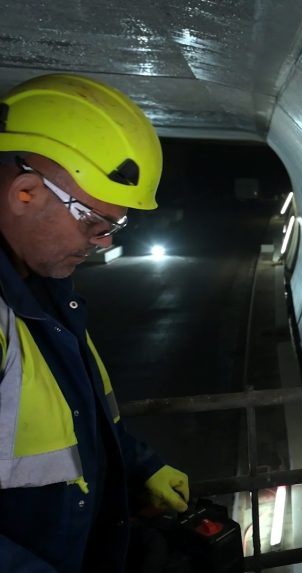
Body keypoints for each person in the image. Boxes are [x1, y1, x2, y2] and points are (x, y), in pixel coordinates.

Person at [0, 74, 190, 572]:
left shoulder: (46, 295)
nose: (103, 242)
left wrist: (139, 465)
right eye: (94, 222)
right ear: (25, 193)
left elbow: (73, 418)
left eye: (115, 227)